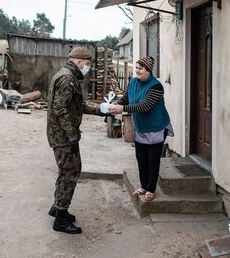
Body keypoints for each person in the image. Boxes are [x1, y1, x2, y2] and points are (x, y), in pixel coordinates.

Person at [47, 46, 105, 234]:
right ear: (79, 62)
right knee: (70, 172)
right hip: (63, 136)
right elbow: (60, 109)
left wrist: (101, 110)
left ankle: (58, 208)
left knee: (67, 170)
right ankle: (61, 220)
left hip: (61, 134)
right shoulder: (67, 79)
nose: (88, 68)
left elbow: (77, 106)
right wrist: (72, 136)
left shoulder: (67, 75)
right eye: (87, 64)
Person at [109, 56, 173, 202]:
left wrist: (122, 109)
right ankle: (143, 186)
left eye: (140, 68)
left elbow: (145, 106)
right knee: (141, 159)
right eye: (136, 67)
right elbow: (125, 99)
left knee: (152, 159)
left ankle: (151, 189)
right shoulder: (132, 82)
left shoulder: (156, 86)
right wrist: (115, 105)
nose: (137, 71)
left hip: (155, 127)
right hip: (140, 127)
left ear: (148, 70)